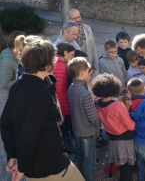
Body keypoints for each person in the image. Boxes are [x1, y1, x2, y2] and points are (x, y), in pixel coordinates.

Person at [1, 38, 84, 181]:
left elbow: (5, 122)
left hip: (37, 168)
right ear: (46, 64)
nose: (56, 61)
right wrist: (22, 168)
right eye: (54, 59)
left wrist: (13, 155)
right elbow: (29, 133)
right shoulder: (41, 92)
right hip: (52, 166)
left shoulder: (18, 84)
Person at [91, 73, 136, 181]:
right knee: (126, 166)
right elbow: (130, 125)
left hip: (112, 138)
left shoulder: (98, 105)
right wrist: (135, 125)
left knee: (120, 161)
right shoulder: (118, 105)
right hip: (125, 139)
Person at [67, 57, 101, 181]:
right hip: (88, 132)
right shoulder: (84, 92)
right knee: (90, 163)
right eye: (88, 71)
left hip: (77, 129)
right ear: (82, 72)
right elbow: (92, 116)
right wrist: (98, 126)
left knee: (78, 158)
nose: (90, 73)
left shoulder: (71, 87)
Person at [53, 42, 75, 154]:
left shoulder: (58, 63)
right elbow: (59, 91)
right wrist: (63, 110)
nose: (72, 57)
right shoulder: (61, 66)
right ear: (65, 53)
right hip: (60, 103)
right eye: (72, 54)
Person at [0, 30, 26, 117]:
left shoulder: (17, 55)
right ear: (15, 45)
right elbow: (5, 84)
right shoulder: (7, 60)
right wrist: (22, 79)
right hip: (11, 101)